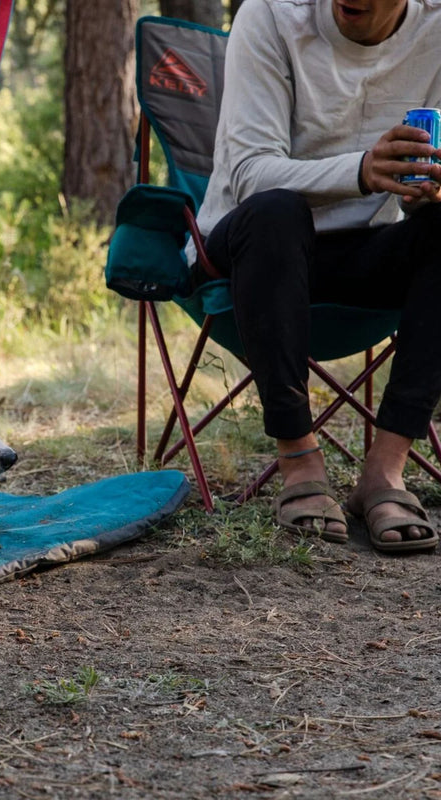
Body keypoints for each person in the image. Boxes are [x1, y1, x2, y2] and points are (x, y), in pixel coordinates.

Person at [193, 0, 441, 551]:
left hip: (366, 251)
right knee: (278, 212)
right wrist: (361, 171)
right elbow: (252, 174)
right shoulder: (273, 16)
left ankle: (386, 470)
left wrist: (429, 190)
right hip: (257, 245)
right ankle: (300, 461)